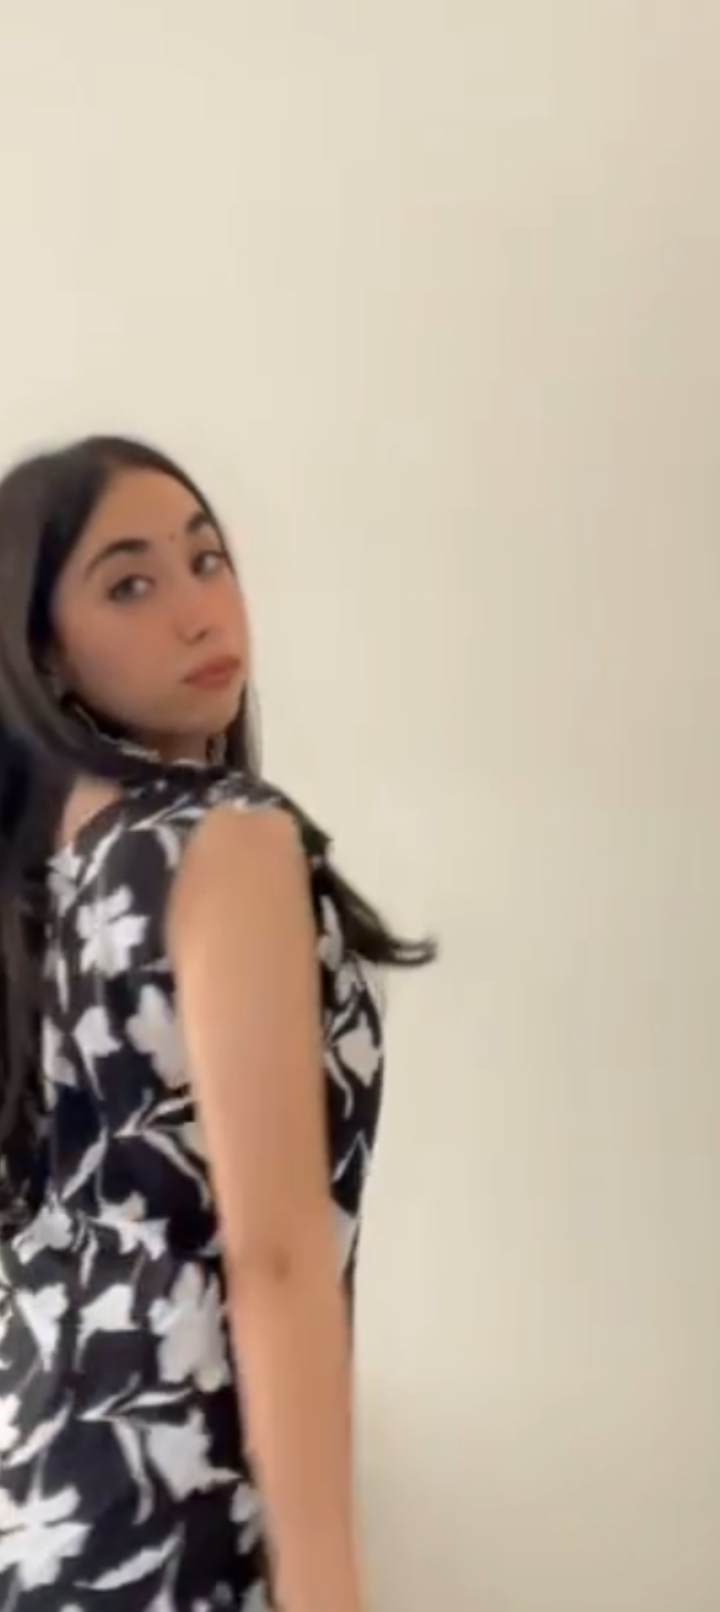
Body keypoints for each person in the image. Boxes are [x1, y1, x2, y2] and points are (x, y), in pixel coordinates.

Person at [0, 436, 434, 1612]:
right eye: (130, 584)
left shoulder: (39, 889)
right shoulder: (225, 837)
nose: (199, 610)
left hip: (39, 1492)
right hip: (179, 1490)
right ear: (46, 651)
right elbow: (275, 1253)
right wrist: (326, 1579)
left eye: (206, 560)